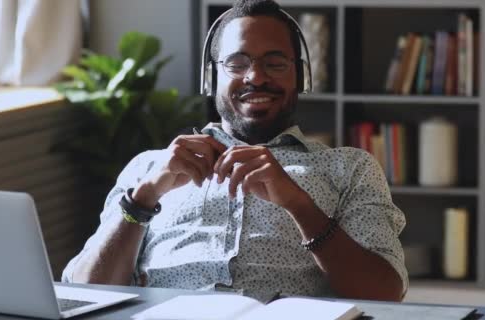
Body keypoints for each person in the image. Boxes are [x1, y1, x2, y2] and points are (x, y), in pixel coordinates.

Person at [62, 0, 407, 302]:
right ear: (211, 79)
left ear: (300, 77)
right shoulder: (149, 168)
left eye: (275, 63)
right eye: (237, 64)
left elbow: (384, 292)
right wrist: (142, 199)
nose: (255, 77)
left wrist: (298, 204)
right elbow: (87, 291)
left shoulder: (349, 167)